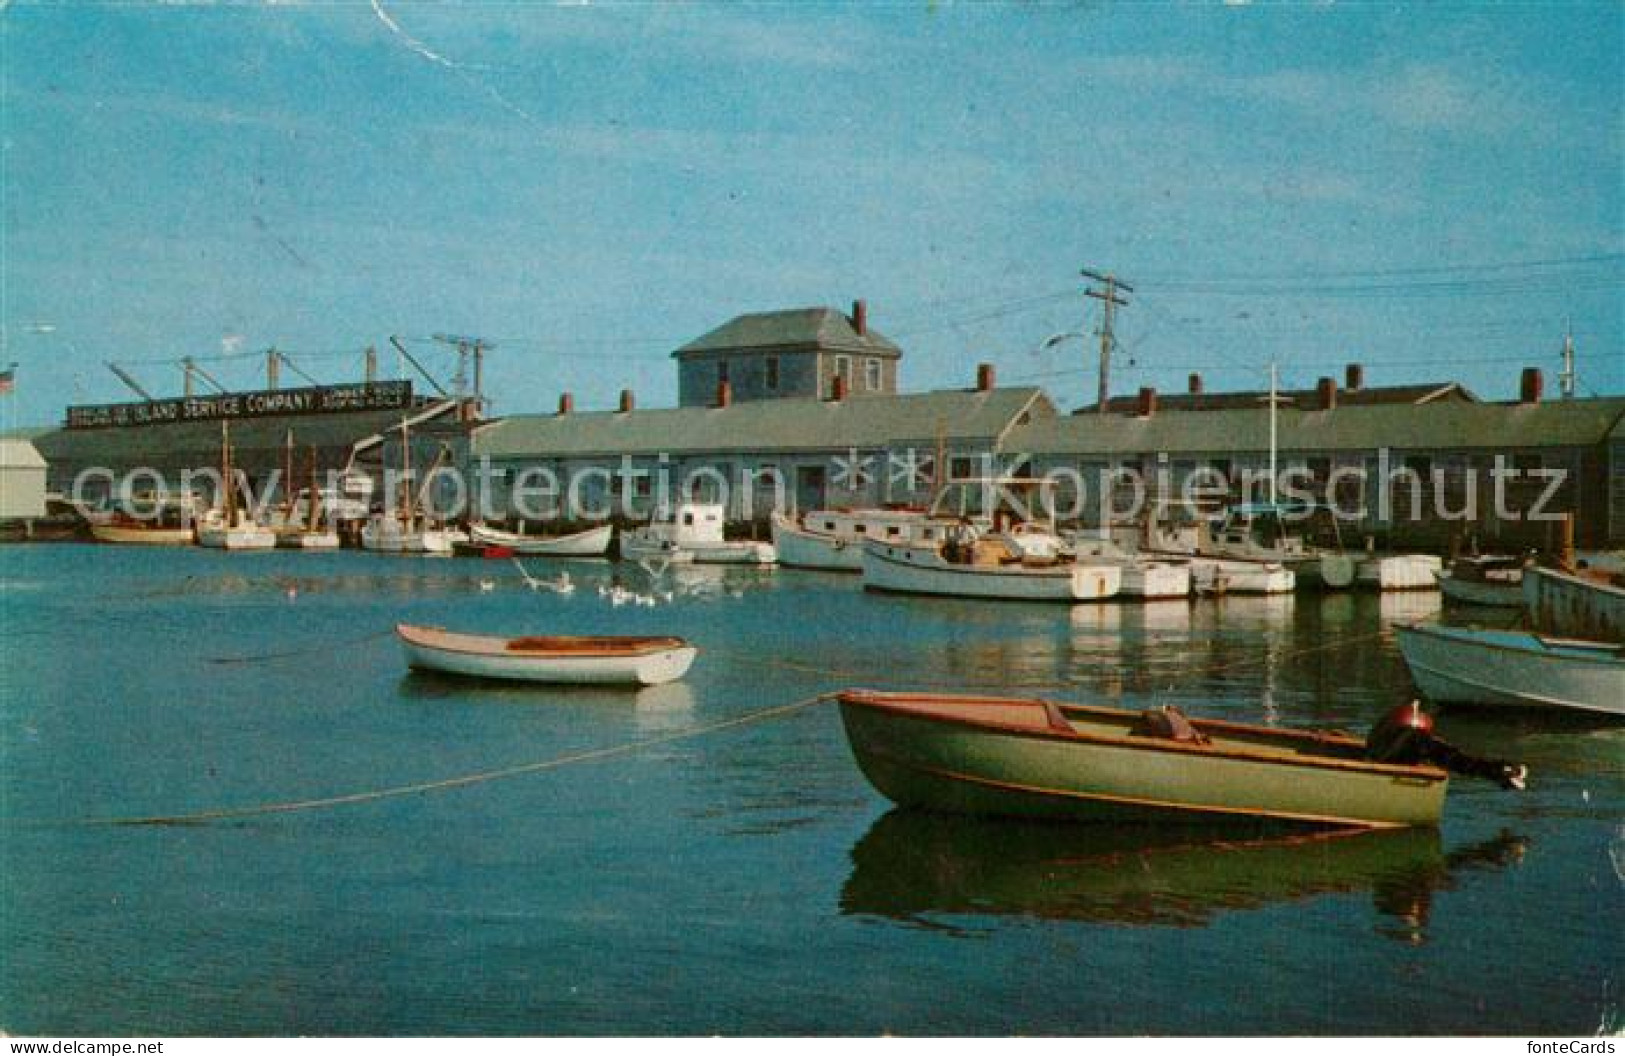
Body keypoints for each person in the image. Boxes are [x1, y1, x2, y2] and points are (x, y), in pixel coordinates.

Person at [1366, 700, 1527, 790]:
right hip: (1391, 758)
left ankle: (1500, 771)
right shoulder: (1418, 740)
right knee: (1454, 756)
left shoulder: (1406, 739)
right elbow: (1455, 759)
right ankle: (1499, 770)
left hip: (1387, 756)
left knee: (1454, 756)